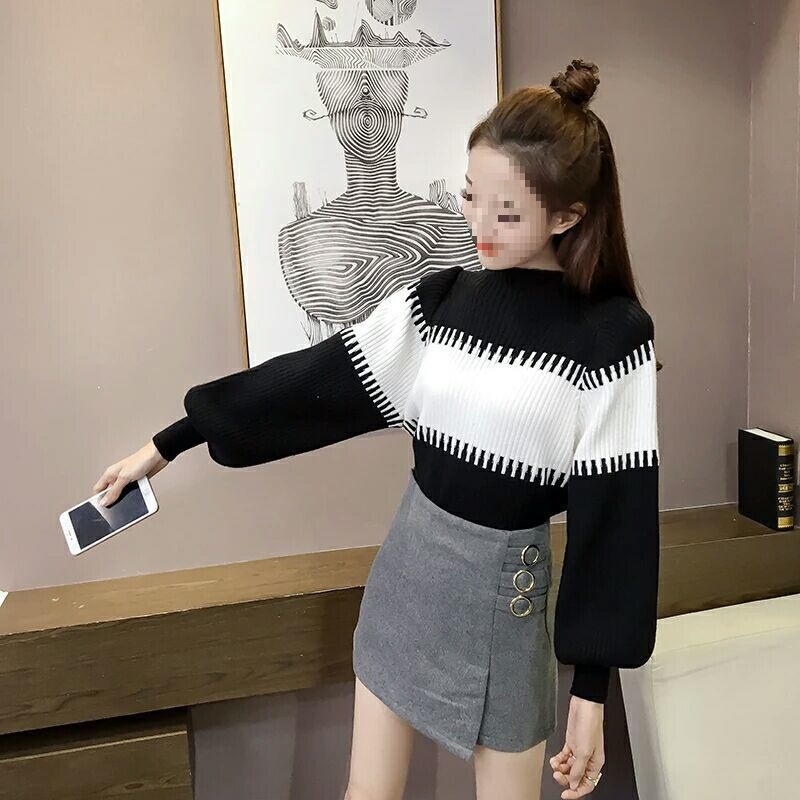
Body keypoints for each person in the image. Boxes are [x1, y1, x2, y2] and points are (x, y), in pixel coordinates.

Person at [94, 59, 660, 800]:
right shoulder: (438, 303)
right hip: (408, 574)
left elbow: (615, 521)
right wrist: (168, 443)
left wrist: (591, 691)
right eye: (470, 197)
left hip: (505, 602)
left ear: (568, 216)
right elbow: (314, 381)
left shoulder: (613, 340)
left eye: (507, 213)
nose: (478, 227)